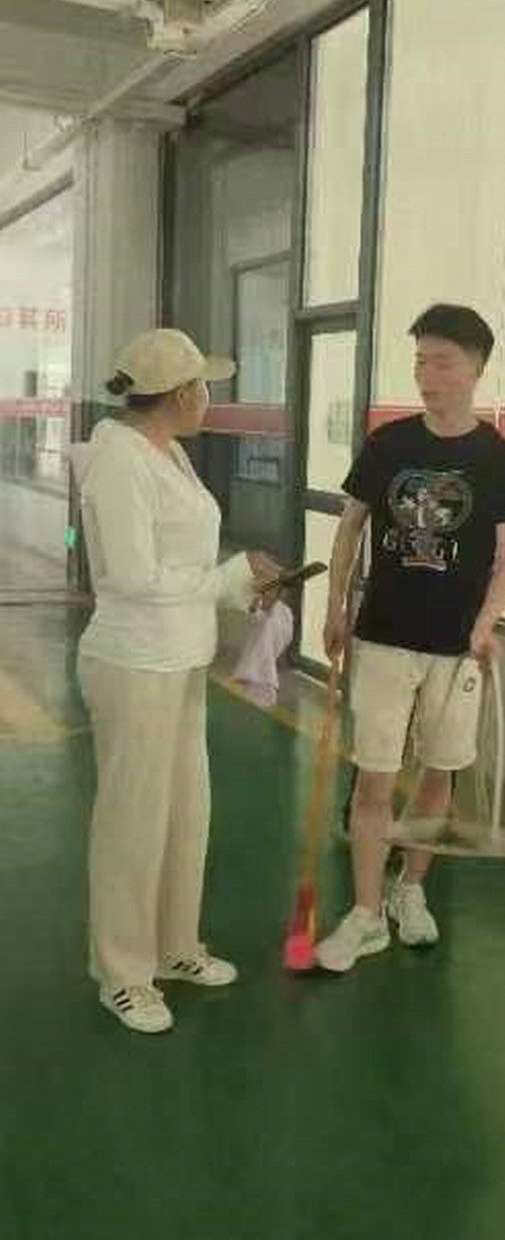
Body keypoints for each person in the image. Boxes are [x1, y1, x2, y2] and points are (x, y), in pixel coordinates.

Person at [71, 328, 281, 1034]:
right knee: (132, 819)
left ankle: (174, 946)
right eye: (205, 387)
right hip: (132, 663)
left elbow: (181, 564)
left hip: (181, 657)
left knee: (186, 811)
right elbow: (132, 576)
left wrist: (238, 589)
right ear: (184, 393)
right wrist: (224, 578)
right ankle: (123, 973)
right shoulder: (118, 460)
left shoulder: (171, 453)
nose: (209, 398)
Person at [316, 303, 505, 974]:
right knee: (376, 777)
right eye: (420, 361)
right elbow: (350, 527)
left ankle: (409, 888)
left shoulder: (501, 461)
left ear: (477, 368)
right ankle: (365, 914)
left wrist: (485, 625)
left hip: (456, 647)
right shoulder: (389, 445)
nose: (427, 375)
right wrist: (335, 605)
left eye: (442, 362)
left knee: (440, 774)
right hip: (384, 635)